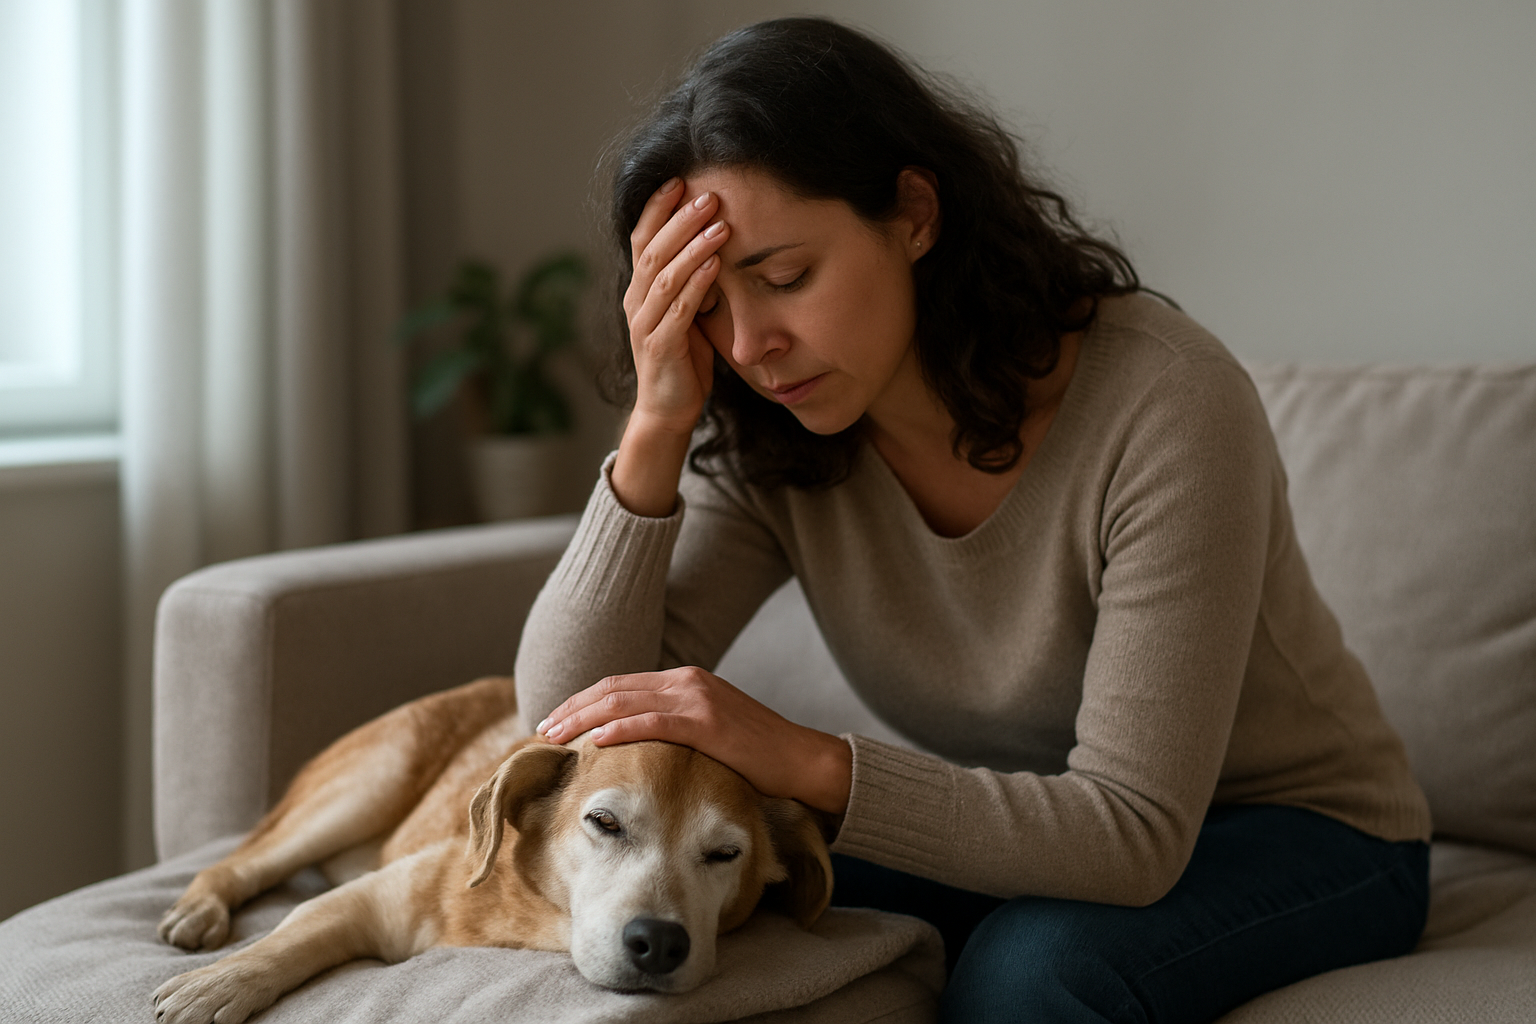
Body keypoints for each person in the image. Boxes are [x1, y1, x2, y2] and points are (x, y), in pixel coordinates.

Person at [514, 17, 1431, 1023]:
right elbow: (567, 712)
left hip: (1302, 831)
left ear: (913, 213)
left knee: (1031, 974)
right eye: (707, 308)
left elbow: (1131, 833)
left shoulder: (1166, 403)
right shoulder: (781, 434)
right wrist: (655, 423)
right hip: (1032, 823)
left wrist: (807, 757)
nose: (753, 344)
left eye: (784, 279)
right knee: (757, 903)